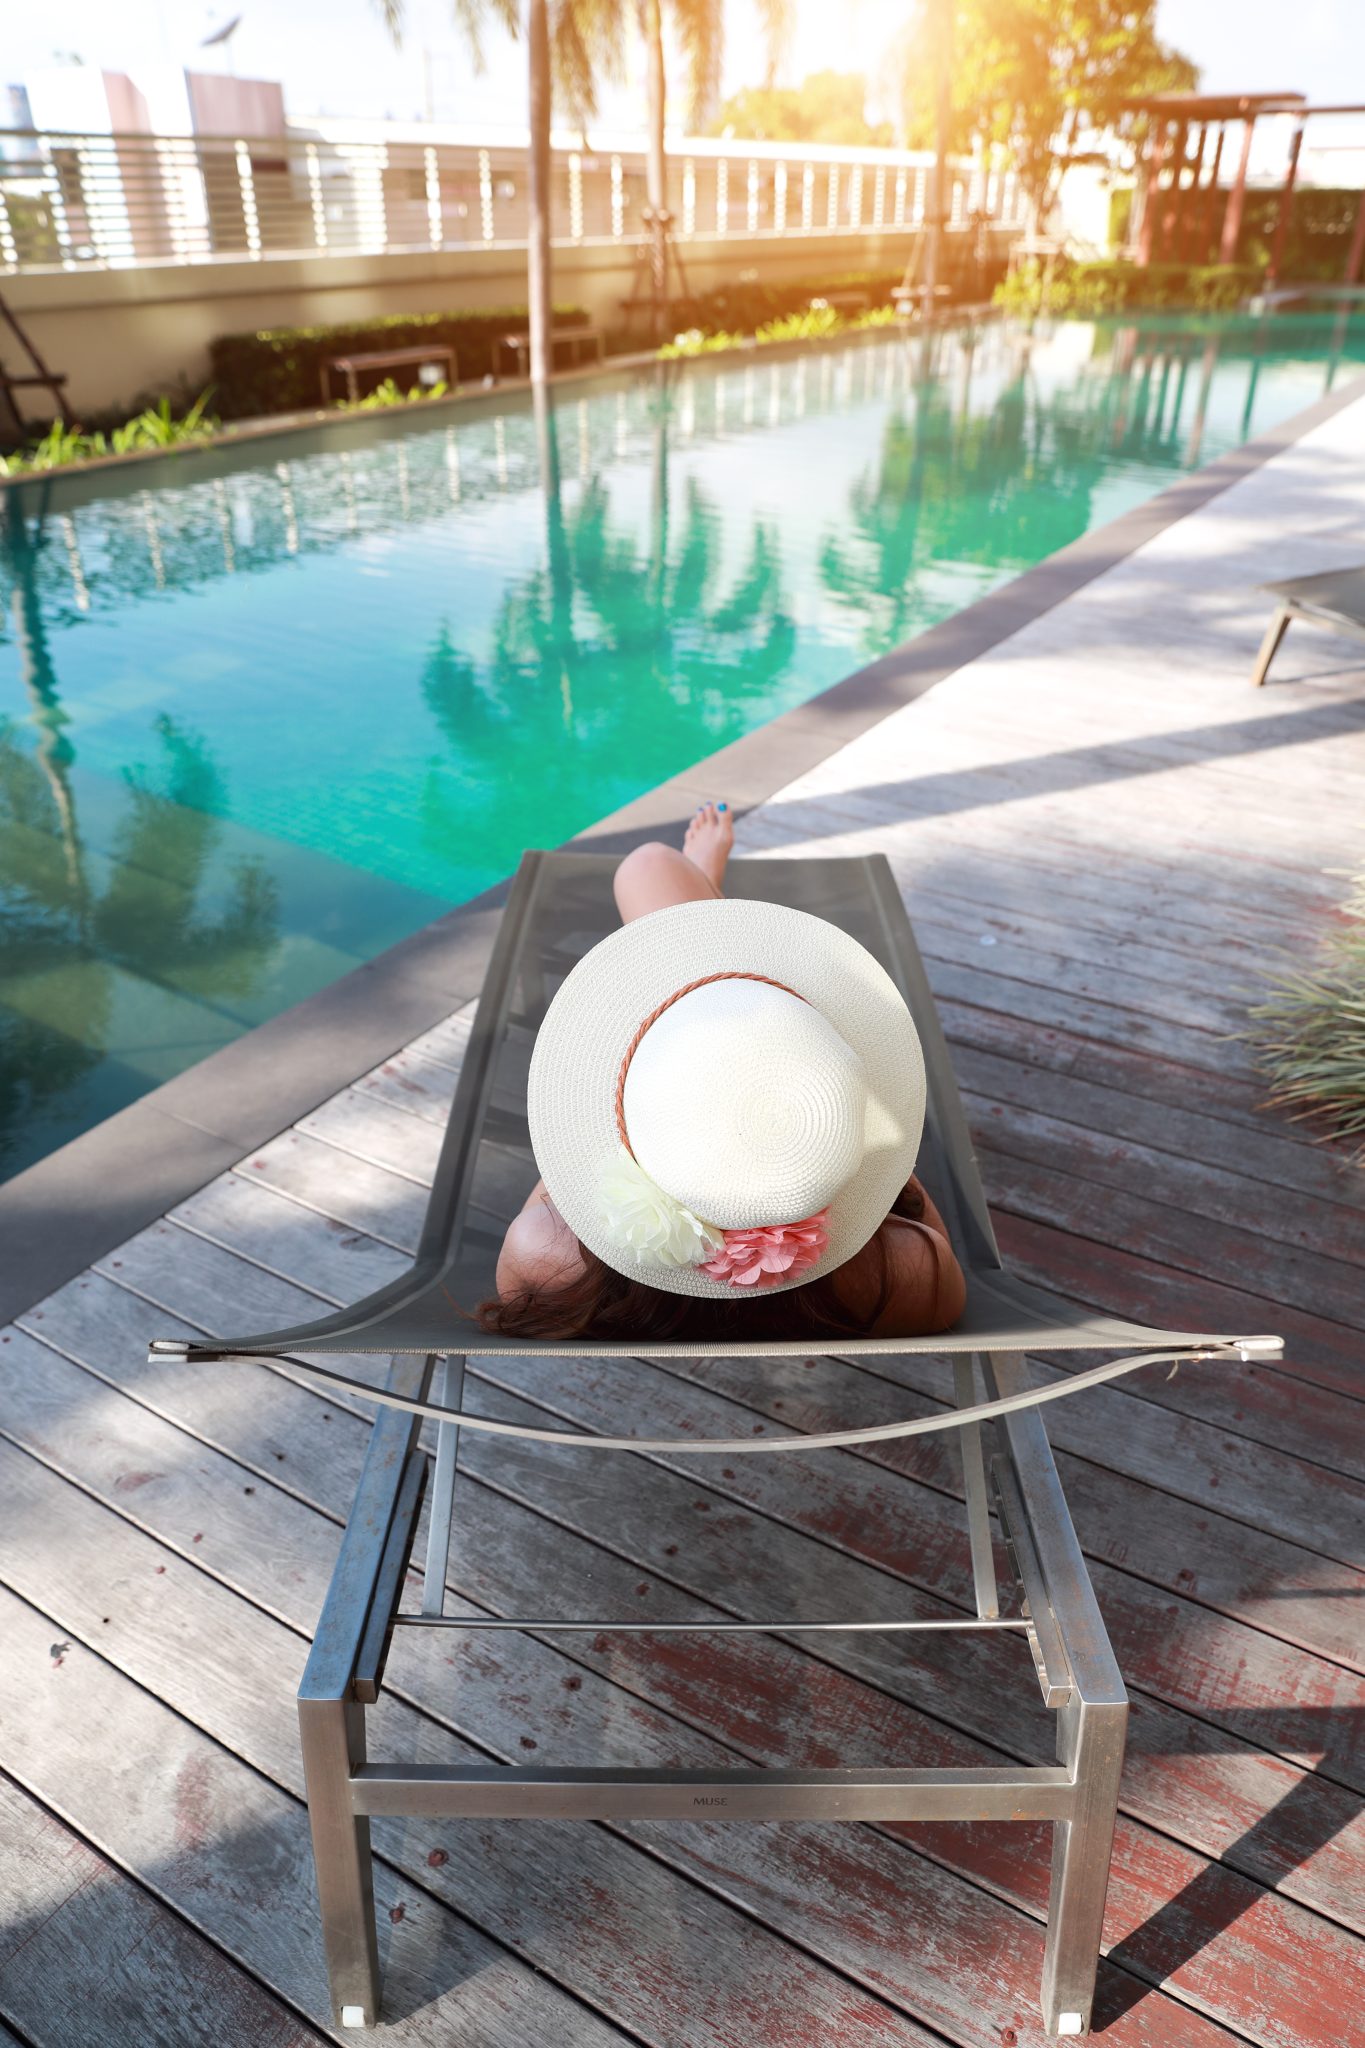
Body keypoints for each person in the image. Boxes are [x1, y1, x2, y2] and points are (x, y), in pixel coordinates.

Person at [454, 800, 967, 1345]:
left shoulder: (546, 1257)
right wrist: (852, 1142)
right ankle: (709, 915)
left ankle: (707, 919)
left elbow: (566, 1173)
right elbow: (938, 1269)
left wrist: (618, 1114)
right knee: (654, 872)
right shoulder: (907, 1273)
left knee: (648, 866)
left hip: (611, 1292)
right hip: (842, 1285)